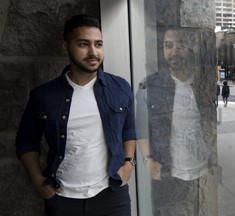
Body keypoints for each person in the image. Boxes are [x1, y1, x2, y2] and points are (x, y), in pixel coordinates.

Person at [15, 14, 136, 216]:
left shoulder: (120, 88)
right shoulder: (43, 96)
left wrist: (128, 164)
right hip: (62, 199)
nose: (93, 52)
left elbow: (129, 129)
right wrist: (38, 181)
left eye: (98, 44)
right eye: (83, 44)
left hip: (112, 196)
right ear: (66, 46)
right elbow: (26, 142)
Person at [136, 27, 210, 215]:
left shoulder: (203, 83)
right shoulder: (150, 85)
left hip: (201, 167)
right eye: (168, 46)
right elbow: (141, 127)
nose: (174, 51)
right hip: (166, 170)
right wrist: (147, 160)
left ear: (191, 49)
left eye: (181, 45)